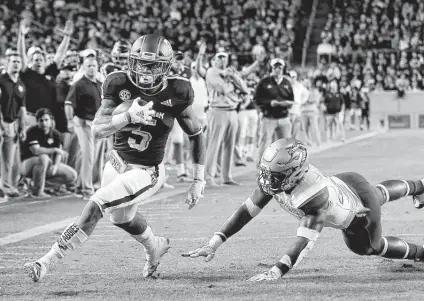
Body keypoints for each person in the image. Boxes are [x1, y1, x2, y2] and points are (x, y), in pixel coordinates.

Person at [24, 34, 206, 282]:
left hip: (147, 170)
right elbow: (97, 130)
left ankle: (46, 261)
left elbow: (195, 133)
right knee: (122, 218)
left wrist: (198, 179)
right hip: (117, 163)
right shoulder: (118, 83)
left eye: (152, 65)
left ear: (165, 65)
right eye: (140, 63)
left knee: (95, 205)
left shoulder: (178, 90)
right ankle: (155, 247)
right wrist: (127, 117)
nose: (145, 70)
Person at [183, 138, 424, 281]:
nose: (268, 180)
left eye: (275, 175)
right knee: (378, 193)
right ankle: (419, 186)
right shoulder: (284, 177)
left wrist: (276, 271)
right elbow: (247, 211)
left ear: (295, 173)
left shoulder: (313, 197)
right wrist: (214, 242)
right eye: (267, 172)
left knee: (370, 247)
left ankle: (420, 253)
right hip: (349, 181)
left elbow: (304, 243)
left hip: (359, 213)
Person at [20, 108, 77, 198]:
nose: (44, 123)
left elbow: (59, 153)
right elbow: (36, 150)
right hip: (26, 165)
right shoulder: (32, 131)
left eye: (46, 120)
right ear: (37, 122)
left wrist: (55, 166)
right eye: (41, 120)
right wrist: (54, 149)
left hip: (47, 165)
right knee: (43, 157)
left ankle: (43, 186)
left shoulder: (56, 134)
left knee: (72, 175)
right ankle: (37, 191)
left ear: (51, 121)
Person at [255, 58, 294, 164]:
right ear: (271, 68)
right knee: (265, 144)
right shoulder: (264, 82)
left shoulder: (287, 82)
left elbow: (292, 99)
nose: (278, 70)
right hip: (268, 118)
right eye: (275, 67)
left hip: (284, 117)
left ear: (283, 69)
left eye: (280, 67)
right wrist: (269, 102)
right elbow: (257, 99)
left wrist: (287, 103)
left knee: (286, 146)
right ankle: (262, 168)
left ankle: (284, 169)